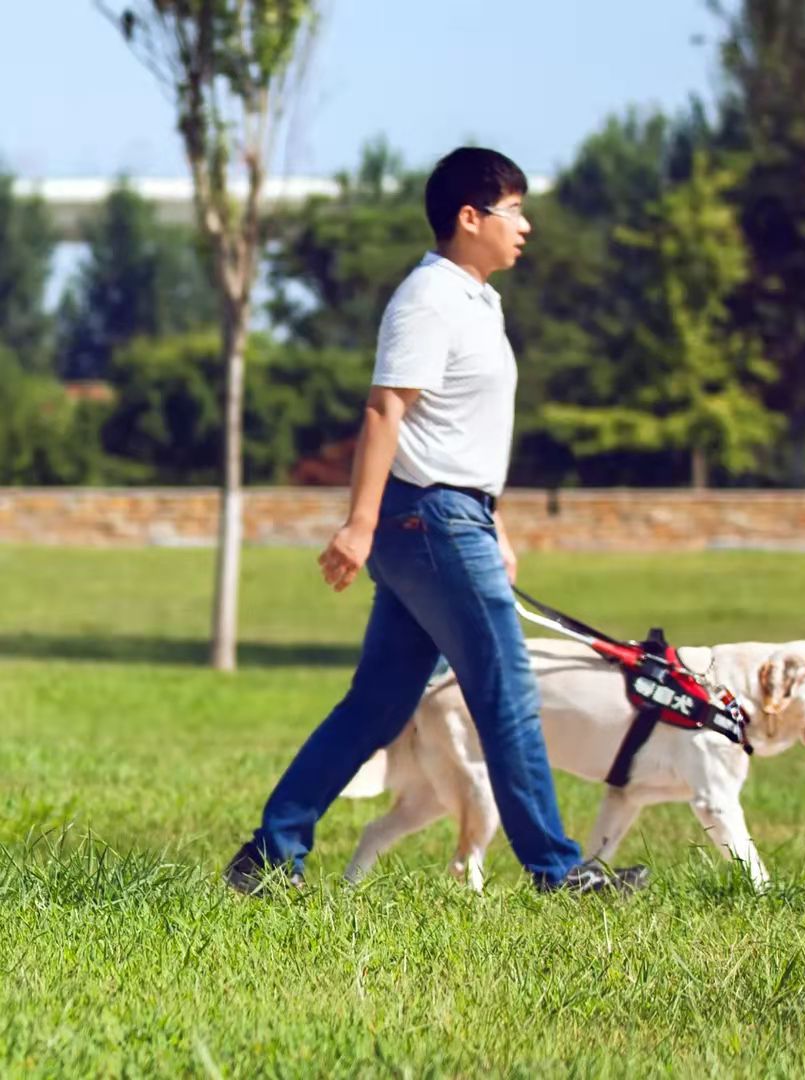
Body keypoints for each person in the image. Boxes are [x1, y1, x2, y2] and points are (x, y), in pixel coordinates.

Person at [225, 147, 647, 895]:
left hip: (454, 517)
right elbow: (387, 409)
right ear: (469, 216)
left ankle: (270, 854)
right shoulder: (428, 299)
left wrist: (498, 525)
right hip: (429, 518)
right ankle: (558, 871)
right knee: (508, 691)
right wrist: (358, 525)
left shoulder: (479, 300)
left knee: (379, 703)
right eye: (514, 209)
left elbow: (464, 430)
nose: (526, 224)